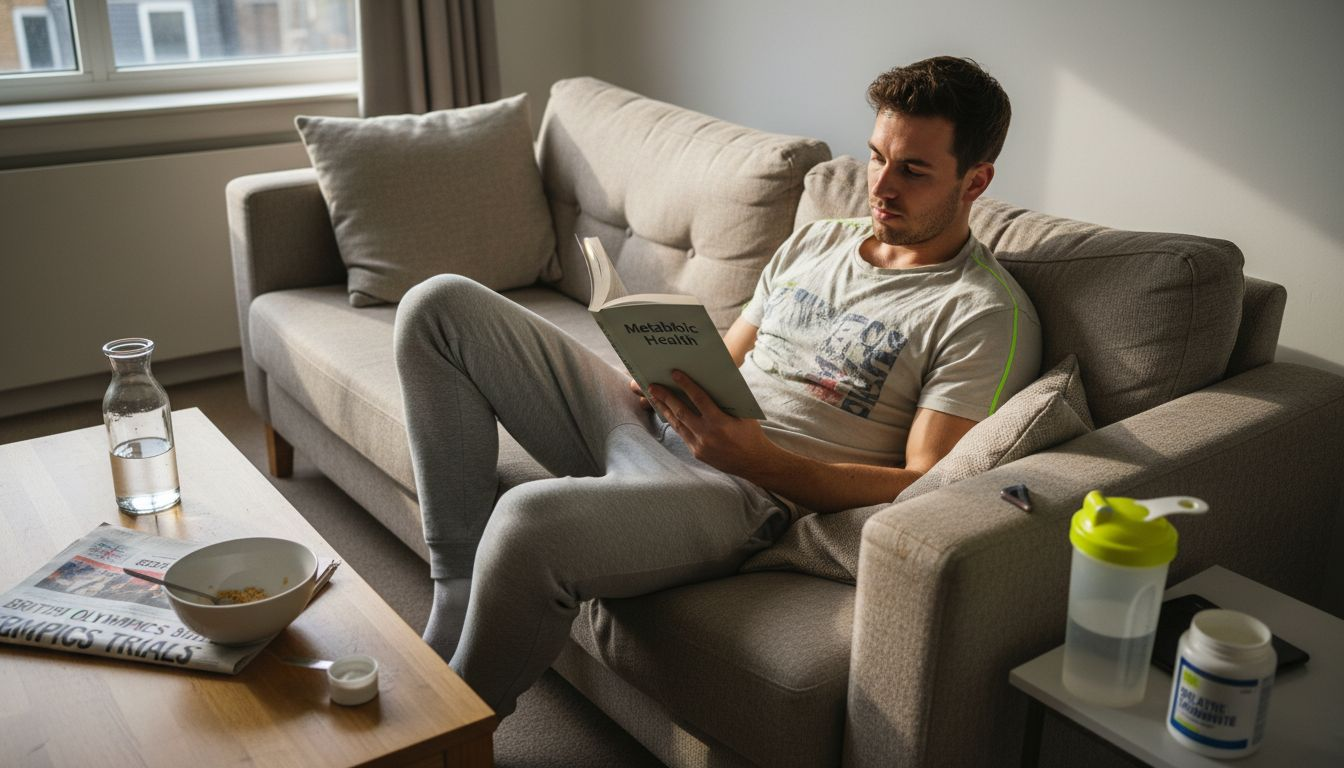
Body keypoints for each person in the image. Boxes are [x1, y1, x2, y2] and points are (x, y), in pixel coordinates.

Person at [393, 56, 1041, 718]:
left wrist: (761, 462)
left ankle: (449, 734)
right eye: (876, 158)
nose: (881, 185)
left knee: (528, 520)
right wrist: (659, 368)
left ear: (976, 180)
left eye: (913, 170)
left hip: (739, 492)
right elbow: (726, 362)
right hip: (657, 427)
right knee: (439, 307)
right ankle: (458, 586)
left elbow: (924, 479)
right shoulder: (817, 241)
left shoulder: (981, 312)